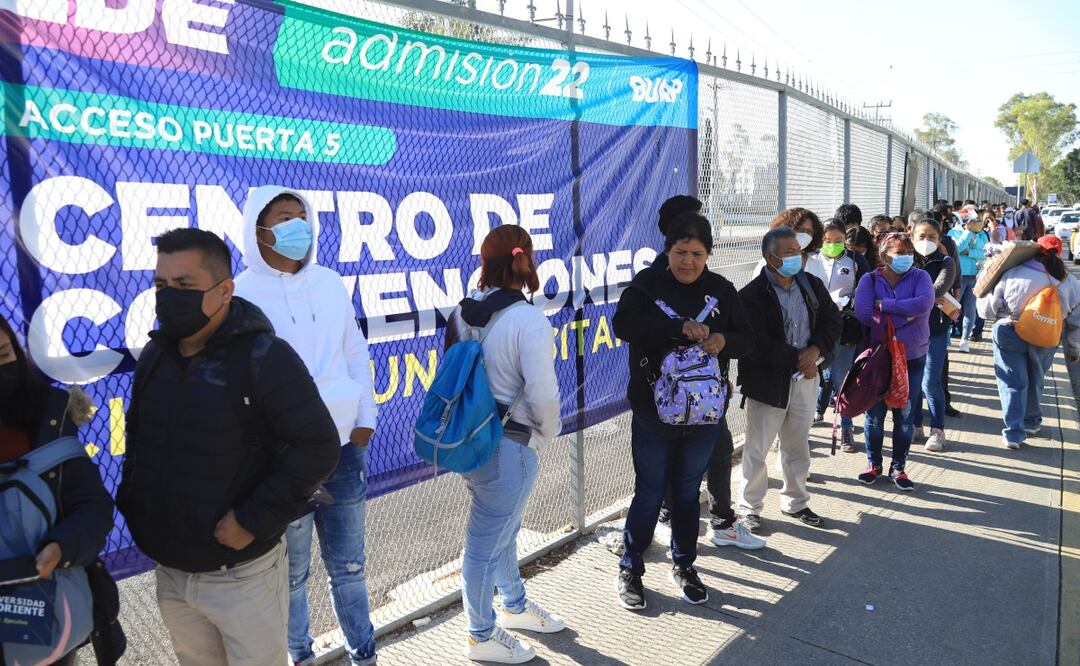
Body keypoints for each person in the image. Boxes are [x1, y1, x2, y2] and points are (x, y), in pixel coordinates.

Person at [117, 228, 341, 666]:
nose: (168, 296)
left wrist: (252, 519)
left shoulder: (264, 357)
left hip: (241, 575)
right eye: (161, 285)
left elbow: (318, 446)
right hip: (172, 570)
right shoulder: (155, 356)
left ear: (224, 291)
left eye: (184, 285)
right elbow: (142, 440)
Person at [233, 187, 380, 666]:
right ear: (260, 230)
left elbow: (356, 353)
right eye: (284, 217)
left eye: (303, 216)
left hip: (342, 450)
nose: (299, 226)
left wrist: (364, 422)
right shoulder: (240, 295)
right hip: (283, 460)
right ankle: (300, 656)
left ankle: (364, 655)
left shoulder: (330, 282)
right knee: (290, 574)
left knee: (350, 567)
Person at [614, 213, 757, 611]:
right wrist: (678, 329)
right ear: (668, 250)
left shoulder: (723, 291)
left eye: (697, 253)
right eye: (680, 252)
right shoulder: (646, 286)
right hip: (652, 413)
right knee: (650, 490)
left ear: (708, 254)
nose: (688, 261)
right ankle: (630, 566)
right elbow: (623, 325)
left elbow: (748, 341)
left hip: (705, 415)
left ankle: (685, 564)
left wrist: (723, 339)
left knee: (687, 492)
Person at [446, 225, 563, 663]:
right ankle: (480, 634)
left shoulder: (462, 311)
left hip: (470, 440)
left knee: (502, 531)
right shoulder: (527, 318)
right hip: (510, 445)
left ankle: (513, 605)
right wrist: (548, 432)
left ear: (484, 260)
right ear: (525, 259)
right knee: (484, 543)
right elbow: (544, 394)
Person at [0, 315, 124, 666]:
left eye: (4, 355)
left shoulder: (49, 417)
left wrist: (61, 547)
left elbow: (92, 506)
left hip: (40, 596)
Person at [738, 225, 842, 531]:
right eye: (789, 253)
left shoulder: (810, 285)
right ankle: (749, 507)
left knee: (797, 445)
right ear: (769, 257)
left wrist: (816, 351)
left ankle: (796, 502)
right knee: (757, 449)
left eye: (798, 251)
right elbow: (755, 342)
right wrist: (799, 358)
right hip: (768, 383)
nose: (797, 257)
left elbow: (831, 320)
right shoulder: (752, 295)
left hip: (806, 379)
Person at [977, 235, 1080, 449]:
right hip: (1048, 335)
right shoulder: (1070, 281)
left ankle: (1014, 433)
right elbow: (1075, 322)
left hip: (1010, 331)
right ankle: (1031, 421)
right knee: (1036, 377)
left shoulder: (1013, 272)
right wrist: (1073, 349)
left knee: (1013, 383)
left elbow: (987, 310)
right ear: (1059, 254)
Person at [854, 232, 935, 490]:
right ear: (884, 255)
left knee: (905, 413)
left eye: (909, 253)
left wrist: (886, 306)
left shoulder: (920, 277)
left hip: (912, 354)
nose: (906, 258)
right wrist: (904, 316)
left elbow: (924, 304)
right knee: (875, 414)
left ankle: (898, 467)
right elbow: (864, 313)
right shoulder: (869, 279)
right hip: (879, 357)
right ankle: (874, 464)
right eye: (899, 253)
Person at [815, 220, 869, 452]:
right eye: (827, 241)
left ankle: (846, 428)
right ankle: (805, 423)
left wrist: (848, 302)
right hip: (815, 325)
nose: (833, 245)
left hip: (844, 324)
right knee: (815, 377)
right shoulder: (812, 259)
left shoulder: (855, 260)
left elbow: (865, 288)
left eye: (838, 241)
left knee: (841, 378)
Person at [910, 217, 957, 452]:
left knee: (930, 382)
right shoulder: (905, 259)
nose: (926, 241)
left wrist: (912, 298)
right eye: (921, 236)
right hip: (909, 330)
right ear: (912, 236)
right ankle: (915, 425)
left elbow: (938, 289)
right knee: (912, 382)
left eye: (931, 237)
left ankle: (937, 430)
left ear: (939, 240)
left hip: (936, 330)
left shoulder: (946, 262)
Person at [947, 206, 988, 352]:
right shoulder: (954, 232)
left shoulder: (982, 234)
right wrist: (968, 233)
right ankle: (946, 336)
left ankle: (965, 339)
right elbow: (956, 249)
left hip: (975, 276)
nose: (979, 224)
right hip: (958, 276)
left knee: (971, 309)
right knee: (951, 307)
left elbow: (985, 253)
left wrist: (969, 252)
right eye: (976, 221)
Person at [754, 207, 827, 282]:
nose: (804, 234)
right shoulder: (767, 263)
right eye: (799, 229)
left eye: (809, 231)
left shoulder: (816, 266)